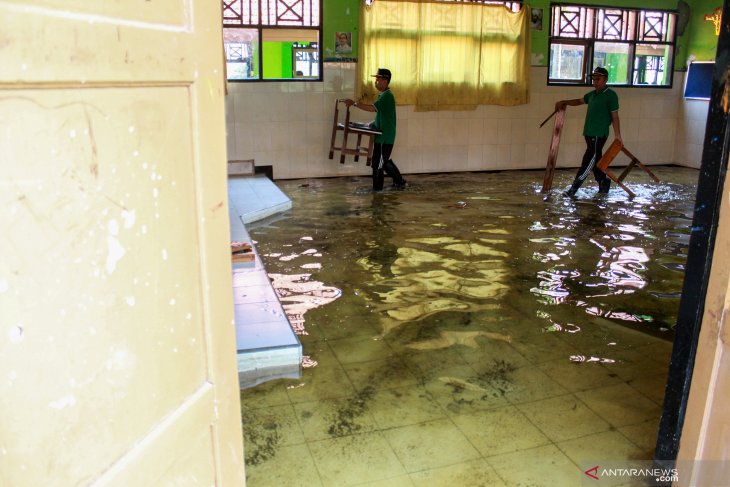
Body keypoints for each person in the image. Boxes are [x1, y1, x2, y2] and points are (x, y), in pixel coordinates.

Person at [555, 66, 622, 197]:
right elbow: (579, 101)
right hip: (589, 133)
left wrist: (618, 135)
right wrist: (564, 102)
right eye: (594, 79)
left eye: (598, 79)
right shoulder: (592, 95)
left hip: (598, 135)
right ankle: (603, 181)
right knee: (596, 161)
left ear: (606, 79)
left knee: (588, 162)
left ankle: (573, 189)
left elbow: (615, 116)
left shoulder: (611, 95)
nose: (595, 82)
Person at [345, 68, 407, 191]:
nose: (376, 81)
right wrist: (370, 124)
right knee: (381, 161)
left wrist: (354, 103)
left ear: (385, 81)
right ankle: (400, 182)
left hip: (385, 136)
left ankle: (377, 192)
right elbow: (382, 115)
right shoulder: (383, 95)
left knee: (378, 163)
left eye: (378, 79)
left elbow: (372, 109)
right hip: (381, 135)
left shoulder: (387, 96)